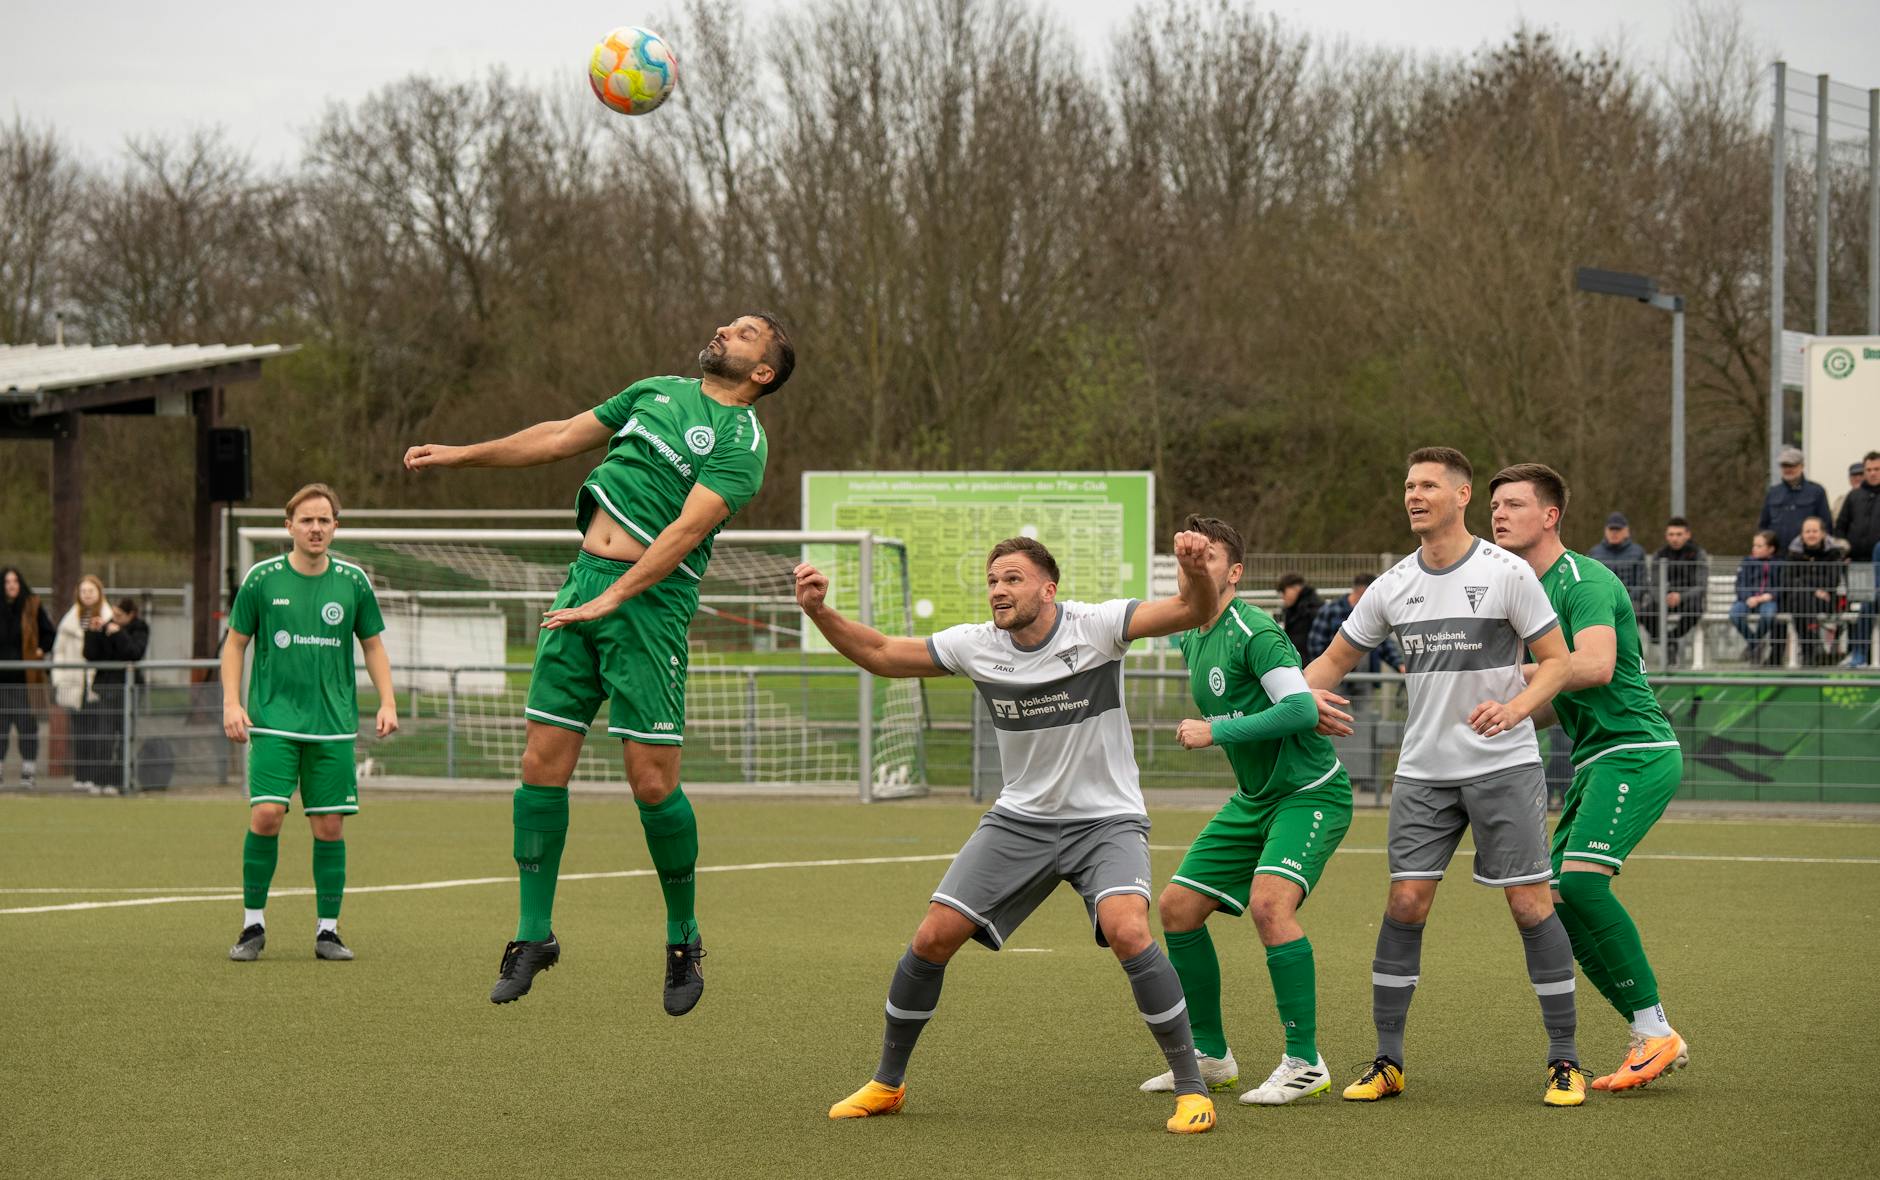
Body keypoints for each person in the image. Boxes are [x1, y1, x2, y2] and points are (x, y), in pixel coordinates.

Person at [403, 313, 793, 1011]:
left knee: (652, 782)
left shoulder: (744, 442)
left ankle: (682, 938)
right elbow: (559, 436)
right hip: (583, 584)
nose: (723, 330)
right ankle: (534, 935)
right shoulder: (654, 390)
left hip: (650, 605)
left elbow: (685, 531)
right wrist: (460, 455)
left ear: (763, 372)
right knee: (539, 764)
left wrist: (615, 596)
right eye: (729, 325)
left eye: (743, 333)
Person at [798, 532, 1223, 1134]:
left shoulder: (1097, 626)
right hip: (1019, 821)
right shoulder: (976, 644)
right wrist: (820, 612)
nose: (999, 590)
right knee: (931, 937)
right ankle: (887, 1084)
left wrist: (1196, 571)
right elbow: (881, 653)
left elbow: (1190, 609)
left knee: (1127, 929)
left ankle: (1191, 1089)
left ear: (1049, 589)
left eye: (1013, 579)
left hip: (1106, 820)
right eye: (993, 580)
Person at [1304, 446, 1585, 1107]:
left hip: (1504, 765)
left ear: (1462, 497)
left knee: (1530, 905)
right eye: (1409, 485)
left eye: (1429, 485)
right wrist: (1298, 697)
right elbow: (1331, 662)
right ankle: (1388, 1061)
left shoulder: (1507, 572)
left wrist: (1517, 708)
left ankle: (1566, 1060)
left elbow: (1558, 662)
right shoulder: (1392, 584)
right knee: (1405, 903)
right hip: (1423, 773)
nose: (1414, 495)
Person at [1489, 463, 1691, 1092]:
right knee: (1552, 901)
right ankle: (1650, 1028)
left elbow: (1597, 665)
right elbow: (1553, 700)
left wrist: (1506, 681)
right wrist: (1496, 716)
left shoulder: (1583, 579)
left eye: (1514, 504)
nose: (1499, 515)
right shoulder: (1524, 592)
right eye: (1495, 506)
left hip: (1636, 749)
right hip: (1596, 759)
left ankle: (1654, 1031)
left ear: (1550, 516)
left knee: (1581, 882)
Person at [1140, 515, 1353, 1107]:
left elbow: (1299, 711)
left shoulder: (1254, 630)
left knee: (1269, 905)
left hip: (1309, 792)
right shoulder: (1190, 633)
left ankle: (1305, 1062)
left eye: (1207, 558)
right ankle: (1210, 1056)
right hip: (1255, 798)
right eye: (1187, 560)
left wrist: (1216, 730)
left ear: (1234, 572)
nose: (1194, 568)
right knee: (1178, 908)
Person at [222, 484, 399, 962]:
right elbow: (235, 643)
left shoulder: (353, 581)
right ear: (289, 526)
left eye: (324, 520)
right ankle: (252, 925)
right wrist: (232, 703)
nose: (315, 528)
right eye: (306, 520)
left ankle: (328, 932)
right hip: (273, 720)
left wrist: (387, 701)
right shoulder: (262, 579)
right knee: (266, 814)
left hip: (332, 724)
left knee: (329, 826)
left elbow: (373, 646)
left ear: (335, 527)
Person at [1306, 573, 1404, 795]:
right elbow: (1317, 645)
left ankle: (1366, 778)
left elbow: (1384, 644)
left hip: (1364, 681)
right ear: (1360, 591)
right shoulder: (1331, 611)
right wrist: (1322, 678)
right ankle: (1330, 775)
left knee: (1364, 726)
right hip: (1337, 683)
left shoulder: (1373, 610)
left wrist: (1399, 664)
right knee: (1330, 725)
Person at [82, 597, 149, 796]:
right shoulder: (107, 626)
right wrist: (93, 633)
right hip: (107, 690)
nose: (115, 618)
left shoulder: (140, 628)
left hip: (129, 691)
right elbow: (91, 655)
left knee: (125, 738)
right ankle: (100, 780)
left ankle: (120, 781)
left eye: (120, 615)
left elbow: (135, 652)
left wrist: (119, 634)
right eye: (114, 614)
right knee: (104, 737)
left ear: (131, 615)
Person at [52, 575, 110, 794]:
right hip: (74, 684)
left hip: (97, 685)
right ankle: (81, 776)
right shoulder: (69, 621)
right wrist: (59, 679)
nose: (87, 595)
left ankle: (96, 777)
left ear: (99, 592)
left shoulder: (107, 617)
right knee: (79, 733)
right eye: (83, 591)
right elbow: (59, 652)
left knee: (98, 733)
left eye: (91, 591)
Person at [0, 568, 55, 790]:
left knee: (28, 727)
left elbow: (49, 634)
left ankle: (28, 773)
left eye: (15, 581)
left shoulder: (32, 605)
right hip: (1, 681)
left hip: (25, 680)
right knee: (1, 728)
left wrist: (40, 650)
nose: (11, 585)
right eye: (7, 581)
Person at [1835, 452, 1880, 669]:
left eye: (1877, 469)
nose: (1872, 473)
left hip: (1879, 565)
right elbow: (1840, 527)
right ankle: (1857, 653)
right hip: (1858, 565)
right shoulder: (1853, 497)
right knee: (1859, 610)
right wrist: (1843, 551)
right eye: (1868, 470)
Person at [1784, 517, 1847, 666]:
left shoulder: (1833, 553)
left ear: (1823, 533)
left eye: (1815, 531)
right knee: (1801, 597)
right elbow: (1788, 580)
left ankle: (1809, 650)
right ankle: (1813, 647)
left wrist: (1804, 583)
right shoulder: (1793, 554)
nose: (1811, 534)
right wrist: (1814, 590)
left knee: (1800, 596)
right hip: (1800, 599)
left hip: (1825, 600)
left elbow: (1832, 580)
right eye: (1807, 531)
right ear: (1802, 534)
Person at [1644, 519, 1708, 665]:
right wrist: (1664, 597)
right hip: (1664, 599)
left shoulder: (1697, 554)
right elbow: (1653, 585)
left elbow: (1701, 586)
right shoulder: (1659, 554)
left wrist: (1681, 596)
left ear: (1687, 535)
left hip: (1688, 600)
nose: (1675, 538)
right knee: (1645, 613)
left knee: (1695, 611)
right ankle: (1668, 643)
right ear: (1666, 535)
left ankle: (1670, 639)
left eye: (1679, 534)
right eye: (1671, 534)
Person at [1758, 447, 1832, 553]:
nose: (1788, 469)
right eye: (1784, 466)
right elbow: (1763, 526)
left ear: (1802, 466)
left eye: (1792, 465)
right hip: (1777, 555)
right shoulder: (1773, 492)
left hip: (1806, 556)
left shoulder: (1816, 491)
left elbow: (1826, 525)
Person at [1729, 532, 1782, 665]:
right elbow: (1740, 584)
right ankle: (1756, 643)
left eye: (1759, 546)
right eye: (1754, 545)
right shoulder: (1746, 562)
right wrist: (1748, 597)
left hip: (1768, 600)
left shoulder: (1779, 563)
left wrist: (1770, 595)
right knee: (1735, 614)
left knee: (1768, 615)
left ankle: (1754, 644)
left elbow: (1783, 585)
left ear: (1771, 549)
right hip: (1747, 600)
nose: (1754, 549)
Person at [1275, 573, 1322, 656]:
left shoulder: (1311, 610)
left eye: (1284, 592)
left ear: (1295, 588)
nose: (1283, 597)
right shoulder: (1293, 610)